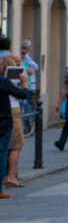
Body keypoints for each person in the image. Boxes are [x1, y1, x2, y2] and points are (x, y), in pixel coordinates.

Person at [0, 59, 31, 198]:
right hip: (3, 119)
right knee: (2, 152)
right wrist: (25, 84)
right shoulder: (3, 81)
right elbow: (23, 95)